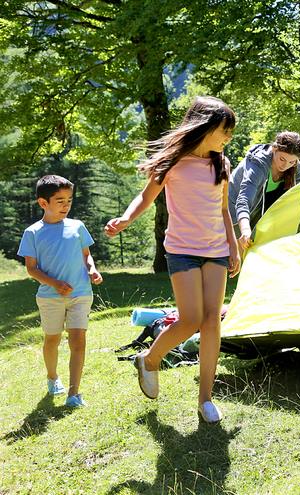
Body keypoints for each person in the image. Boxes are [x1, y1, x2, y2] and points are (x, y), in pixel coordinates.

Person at [104, 96, 240, 423]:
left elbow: (223, 210)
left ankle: (205, 399)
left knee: (211, 322)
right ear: (205, 127)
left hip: (216, 249)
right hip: (182, 248)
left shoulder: (222, 163)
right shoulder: (173, 162)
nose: (228, 137)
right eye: (224, 130)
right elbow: (146, 196)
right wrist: (125, 219)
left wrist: (233, 245)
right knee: (190, 319)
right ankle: (150, 360)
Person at [17, 175, 103, 408]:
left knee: (78, 341)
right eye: (60, 201)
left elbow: (86, 255)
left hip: (81, 293)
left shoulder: (77, 226)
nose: (66, 205)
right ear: (43, 203)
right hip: (50, 298)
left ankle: (74, 393)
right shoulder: (33, 232)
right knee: (52, 339)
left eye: (69, 200)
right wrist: (55, 283)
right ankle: (53, 377)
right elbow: (31, 269)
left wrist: (92, 270)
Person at [229, 131, 300, 250]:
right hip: (234, 213)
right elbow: (244, 199)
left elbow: (295, 199)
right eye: (282, 159)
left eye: (291, 162)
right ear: (274, 148)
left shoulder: (295, 166)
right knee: (234, 257)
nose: (285, 165)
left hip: (263, 214)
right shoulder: (258, 163)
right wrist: (245, 230)